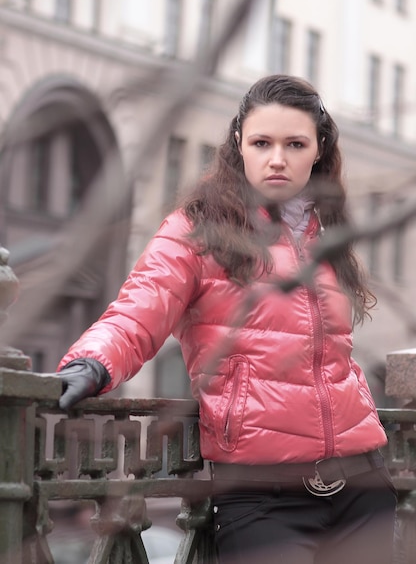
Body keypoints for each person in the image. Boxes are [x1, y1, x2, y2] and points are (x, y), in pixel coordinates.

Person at [56, 74, 397, 564]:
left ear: (318, 150)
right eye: (262, 142)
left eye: (294, 144)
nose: (277, 158)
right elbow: (140, 304)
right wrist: (92, 362)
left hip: (361, 483)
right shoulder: (198, 229)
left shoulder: (327, 234)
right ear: (239, 143)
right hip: (263, 494)